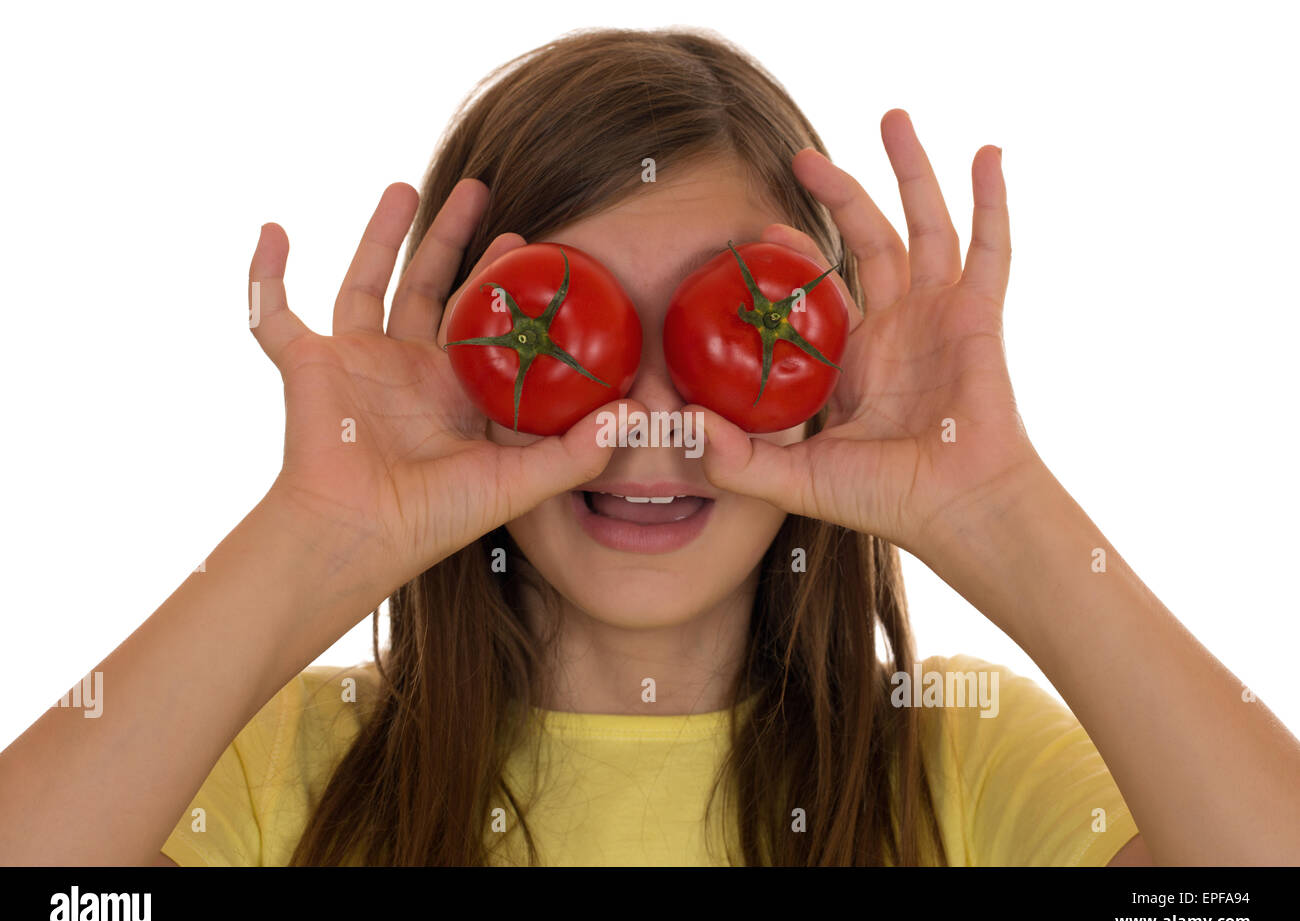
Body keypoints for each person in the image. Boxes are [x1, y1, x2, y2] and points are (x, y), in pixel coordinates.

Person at [2, 27, 1296, 867]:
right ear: (458, 362)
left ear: (829, 372)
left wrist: (1000, 508)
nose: (648, 416)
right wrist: (322, 537)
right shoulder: (282, 770)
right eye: (568, 330)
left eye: (735, 326)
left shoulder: (959, 765)